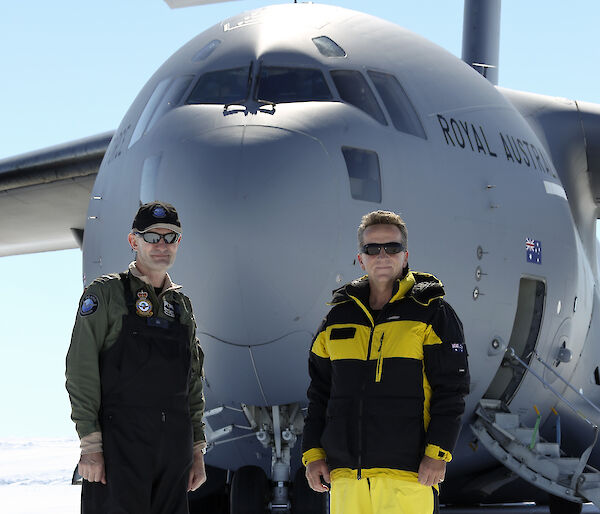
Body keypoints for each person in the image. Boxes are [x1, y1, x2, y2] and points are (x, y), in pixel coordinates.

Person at [302, 210, 470, 514]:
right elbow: (320, 394)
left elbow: (451, 389)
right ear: (360, 258)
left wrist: (438, 453)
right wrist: (313, 454)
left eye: (391, 248)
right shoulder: (337, 318)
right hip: (347, 478)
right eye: (372, 249)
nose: (383, 256)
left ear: (405, 256)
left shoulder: (432, 313)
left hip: (408, 475)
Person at [66, 201, 206, 514]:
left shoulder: (182, 307)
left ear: (178, 243)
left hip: (173, 452)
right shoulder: (106, 294)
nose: (161, 245)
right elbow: (81, 371)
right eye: (152, 237)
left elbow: (192, 384)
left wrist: (196, 449)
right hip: (120, 450)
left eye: (170, 238)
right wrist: (91, 446)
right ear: (134, 241)